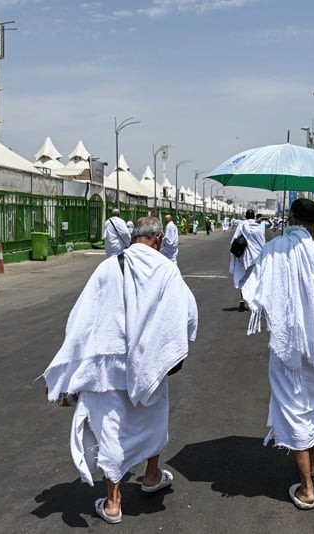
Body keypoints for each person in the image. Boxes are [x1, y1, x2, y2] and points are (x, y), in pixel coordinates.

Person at [43, 217, 198, 525]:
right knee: (153, 419)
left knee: (109, 429)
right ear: (157, 239)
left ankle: (113, 502)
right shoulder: (167, 269)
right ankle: (152, 475)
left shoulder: (107, 267)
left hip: (107, 367)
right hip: (149, 363)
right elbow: (187, 315)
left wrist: (70, 366)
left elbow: (81, 319)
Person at [241, 198, 314, 510]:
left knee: (291, 402)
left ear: (292, 218)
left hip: (290, 336)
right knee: (313, 396)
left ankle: (307, 488)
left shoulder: (280, 249)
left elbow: (257, 287)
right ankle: (310, 454)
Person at [229, 209, 266, 312]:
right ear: (254, 217)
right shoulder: (259, 227)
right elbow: (262, 242)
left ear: (245, 216)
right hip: (256, 257)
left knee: (242, 278)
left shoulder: (242, 225)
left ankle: (242, 300)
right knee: (254, 278)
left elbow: (234, 240)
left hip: (244, 257)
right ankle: (252, 300)